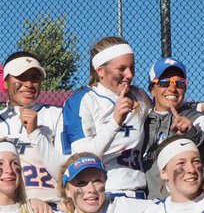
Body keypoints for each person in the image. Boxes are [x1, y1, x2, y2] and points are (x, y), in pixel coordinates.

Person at [60, 37, 152, 196]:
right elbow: (83, 158)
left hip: (140, 194)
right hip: (102, 195)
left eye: (132, 67)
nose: (129, 74)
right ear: (100, 71)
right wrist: (115, 122)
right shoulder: (82, 101)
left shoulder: (140, 97)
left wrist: (197, 107)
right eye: (121, 69)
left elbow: (164, 114)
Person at [0, 52, 65, 205]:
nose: (29, 84)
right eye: (21, 77)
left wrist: (35, 134)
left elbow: (63, 172)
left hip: (52, 206)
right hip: (10, 208)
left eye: (35, 78)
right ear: (5, 82)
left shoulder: (56, 115)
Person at [140, 57, 204, 198]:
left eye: (179, 83)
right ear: (152, 89)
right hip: (153, 211)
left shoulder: (203, 120)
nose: (172, 88)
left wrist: (194, 135)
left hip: (194, 208)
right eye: (165, 83)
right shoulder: (141, 124)